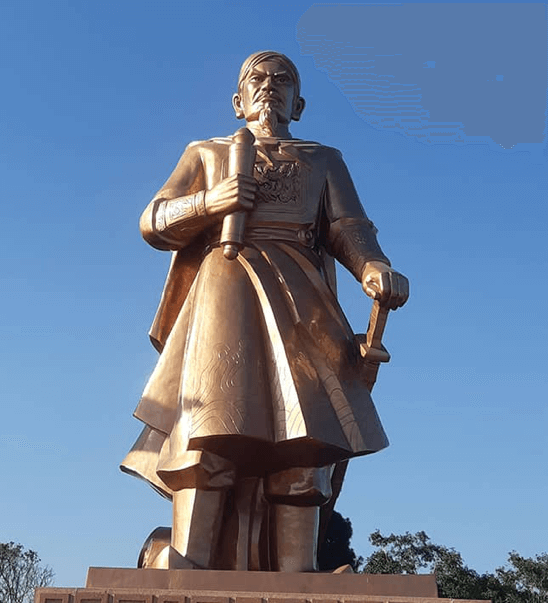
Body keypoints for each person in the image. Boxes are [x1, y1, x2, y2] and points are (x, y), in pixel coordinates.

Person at [121, 51, 409, 572]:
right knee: (209, 428)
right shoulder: (206, 152)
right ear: (238, 101)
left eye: (282, 80)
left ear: (299, 104)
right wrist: (210, 202)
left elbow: (348, 227)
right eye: (256, 78)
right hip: (225, 288)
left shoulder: (323, 160)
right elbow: (154, 221)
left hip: (304, 300)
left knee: (306, 439)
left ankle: (299, 572)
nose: (268, 85)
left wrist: (373, 266)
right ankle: (190, 559)